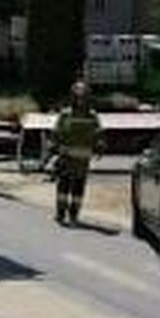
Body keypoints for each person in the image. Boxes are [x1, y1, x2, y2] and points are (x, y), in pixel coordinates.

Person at [50, 81, 101, 225]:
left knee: (67, 186)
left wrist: (53, 146)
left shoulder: (67, 114)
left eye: (82, 97)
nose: (80, 100)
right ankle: (68, 214)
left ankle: (66, 213)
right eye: (79, 97)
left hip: (70, 156)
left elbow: (56, 133)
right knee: (71, 186)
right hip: (79, 157)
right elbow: (99, 135)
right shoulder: (91, 115)